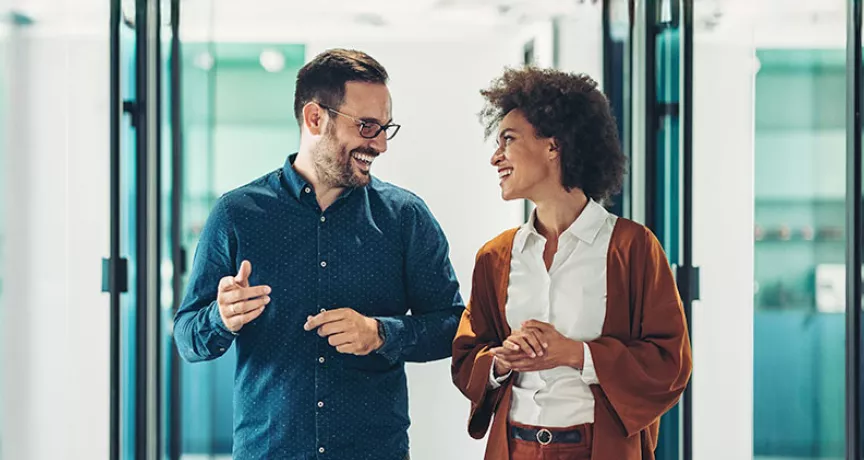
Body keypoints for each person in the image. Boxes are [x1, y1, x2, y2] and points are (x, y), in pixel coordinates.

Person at [174, 48, 464, 460]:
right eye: (366, 126)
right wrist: (220, 318)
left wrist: (380, 334)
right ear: (315, 118)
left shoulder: (406, 218)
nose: (379, 143)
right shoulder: (237, 214)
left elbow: (454, 326)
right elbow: (187, 336)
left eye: (384, 128)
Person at [451, 67, 692, 460]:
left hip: (598, 449)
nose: (496, 157)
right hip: (514, 449)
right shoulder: (494, 257)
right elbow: (466, 358)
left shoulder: (632, 248)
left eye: (508, 141)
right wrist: (501, 360)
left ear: (554, 146)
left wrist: (574, 354)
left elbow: (670, 364)